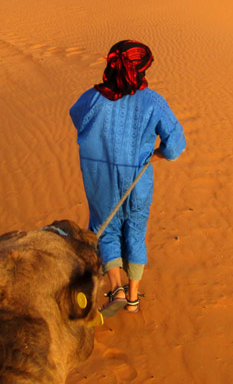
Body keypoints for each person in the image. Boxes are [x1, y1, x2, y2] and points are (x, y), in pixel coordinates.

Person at [69, 40, 186, 316]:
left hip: (101, 180)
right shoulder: (153, 101)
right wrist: (156, 154)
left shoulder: (93, 98)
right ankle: (133, 297)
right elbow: (176, 145)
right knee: (135, 232)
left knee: (105, 229)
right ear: (141, 69)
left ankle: (116, 289)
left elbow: (76, 116)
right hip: (138, 182)